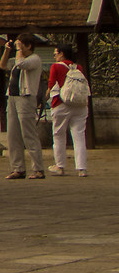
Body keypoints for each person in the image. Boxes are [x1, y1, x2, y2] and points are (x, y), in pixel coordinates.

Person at [1, 33, 48, 179]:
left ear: (28, 46)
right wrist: (7, 50)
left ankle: (38, 169)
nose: (18, 47)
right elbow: (3, 65)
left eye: (20, 44)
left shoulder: (34, 59)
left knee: (29, 134)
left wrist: (19, 50)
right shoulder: (17, 59)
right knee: (13, 135)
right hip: (13, 97)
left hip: (26, 98)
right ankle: (18, 168)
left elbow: (22, 65)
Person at [49, 42, 91, 177]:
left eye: (55, 53)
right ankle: (81, 168)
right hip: (79, 105)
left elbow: (51, 84)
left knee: (59, 135)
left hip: (61, 104)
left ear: (61, 53)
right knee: (79, 136)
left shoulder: (55, 67)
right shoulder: (78, 67)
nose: (54, 56)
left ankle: (60, 166)